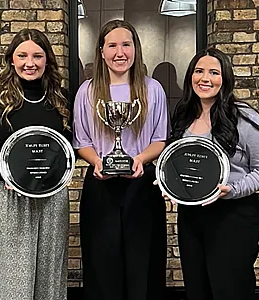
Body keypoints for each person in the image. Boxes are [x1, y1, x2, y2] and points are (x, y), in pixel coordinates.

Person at [166, 47, 259, 300]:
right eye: (199, 71)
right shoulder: (183, 116)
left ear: (225, 79)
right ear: (190, 77)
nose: (205, 78)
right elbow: (178, 163)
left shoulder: (245, 117)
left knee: (230, 290)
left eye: (214, 73)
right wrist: (171, 184)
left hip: (233, 216)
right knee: (197, 289)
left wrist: (232, 190)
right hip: (191, 216)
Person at [0, 29, 71, 300]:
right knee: (13, 280)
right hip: (11, 198)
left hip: (52, 197)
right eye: (22, 55)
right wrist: (3, 173)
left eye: (37, 55)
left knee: (51, 279)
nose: (30, 62)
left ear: (47, 59)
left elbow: (69, 148)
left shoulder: (61, 98)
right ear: (11, 60)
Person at [72, 20, 169, 300]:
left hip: (142, 185)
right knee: (102, 266)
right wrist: (98, 162)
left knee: (143, 264)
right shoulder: (87, 92)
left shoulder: (153, 90)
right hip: (100, 184)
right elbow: (82, 142)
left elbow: (160, 140)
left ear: (135, 49)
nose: (120, 52)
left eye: (126, 44)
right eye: (112, 45)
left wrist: (139, 159)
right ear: (101, 51)